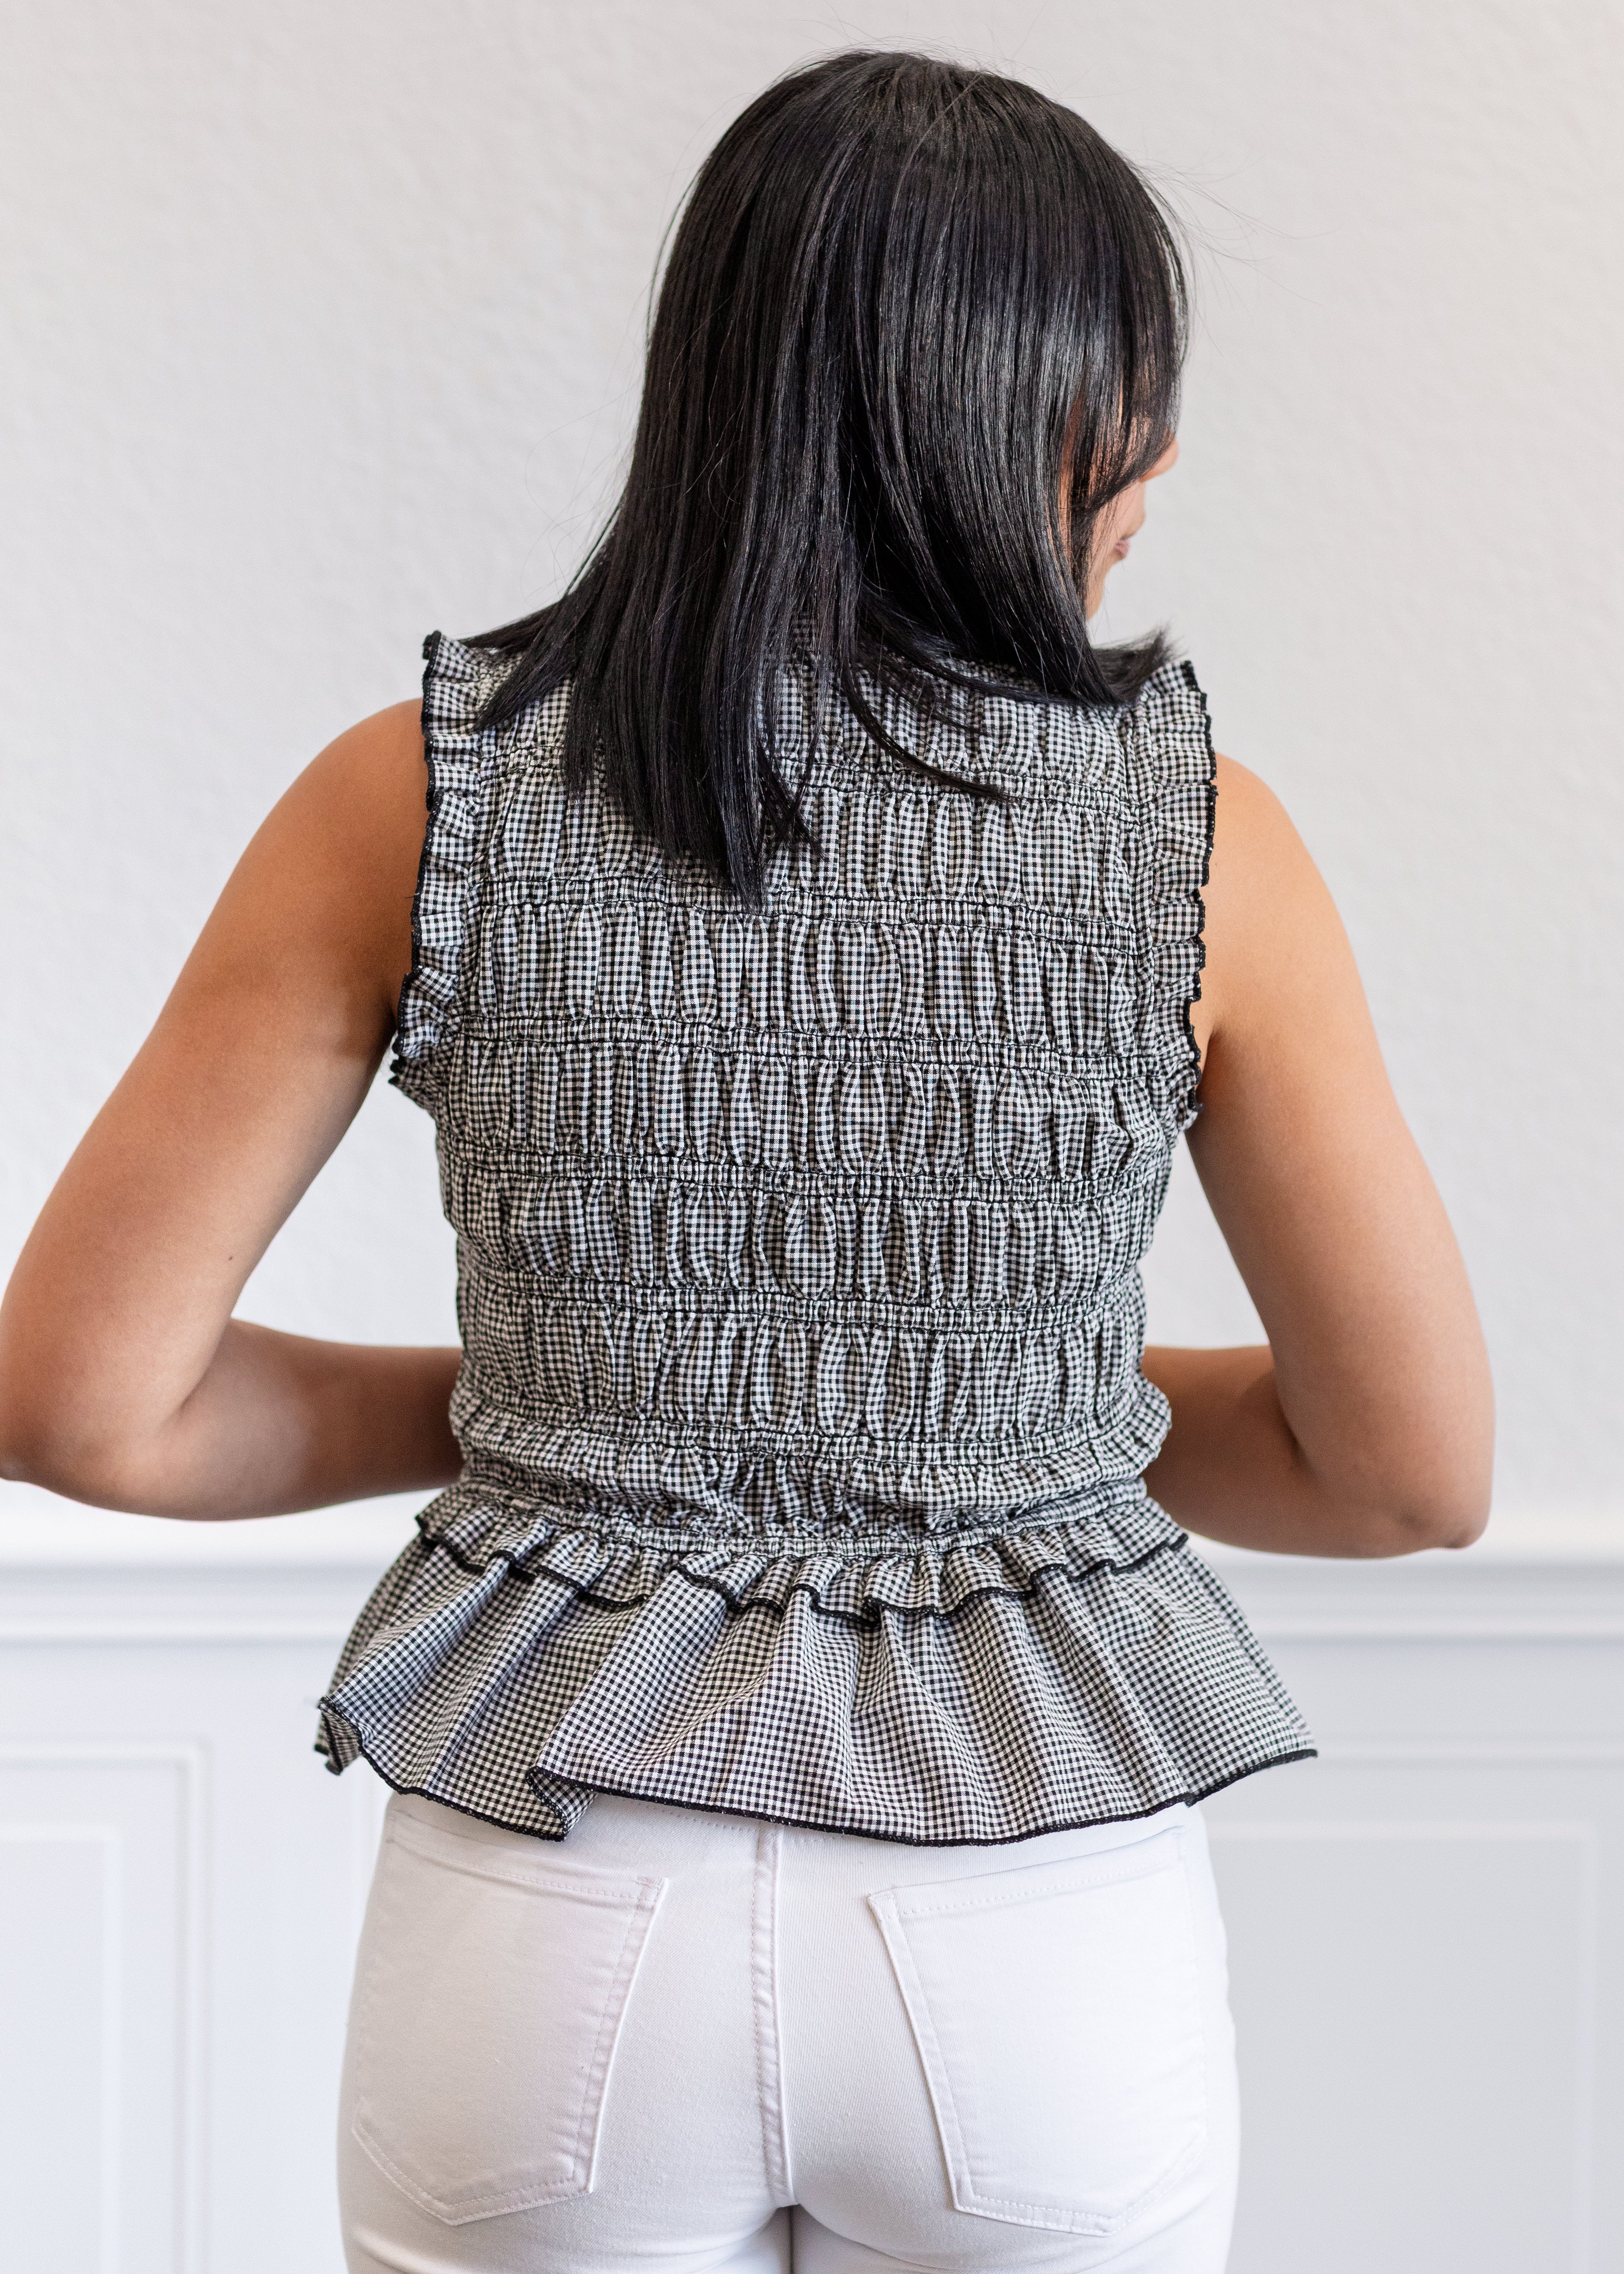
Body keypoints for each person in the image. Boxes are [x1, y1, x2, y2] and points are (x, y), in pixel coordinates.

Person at [0, 48, 1492, 2274]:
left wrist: (572, 1420)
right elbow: (1408, 1475)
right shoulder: (1203, 842)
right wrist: (988, 1419)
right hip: (1026, 1916)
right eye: (1129, 399)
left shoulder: (414, 794)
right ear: (1030, 420)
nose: (1158, 466)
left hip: (557, 1888)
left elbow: (79, 1404)